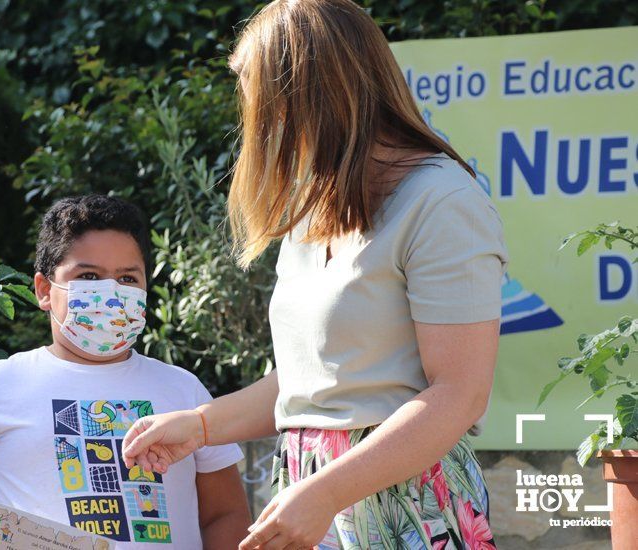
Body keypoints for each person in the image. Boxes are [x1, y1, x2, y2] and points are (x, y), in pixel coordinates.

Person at [121, 1, 508, 548]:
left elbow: (460, 393)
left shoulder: (442, 201)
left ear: (306, 96)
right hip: (312, 497)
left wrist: (328, 492)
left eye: (262, 103)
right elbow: (310, 384)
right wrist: (200, 426)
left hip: (404, 507)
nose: (258, 123)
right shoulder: (314, 207)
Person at [0, 195, 251, 549]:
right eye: (89, 276)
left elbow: (225, 514)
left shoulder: (184, 390)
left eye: (127, 278)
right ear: (44, 290)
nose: (110, 293)